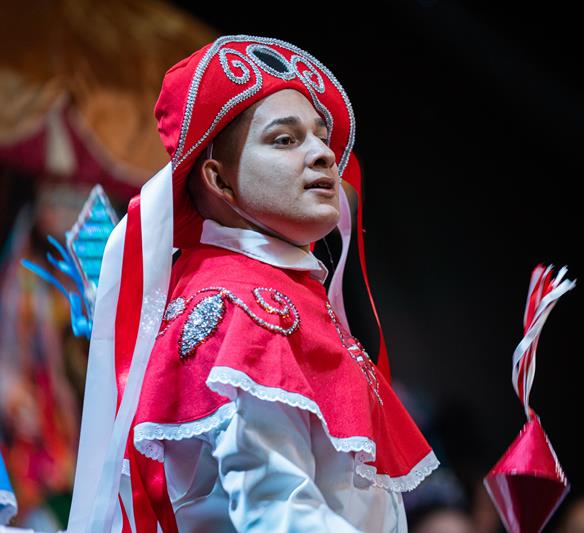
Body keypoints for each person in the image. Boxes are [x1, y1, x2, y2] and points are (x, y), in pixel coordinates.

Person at [65, 35, 439, 533]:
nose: (323, 154)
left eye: (321, 137)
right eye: (285, 140)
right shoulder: (243, 305)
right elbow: (277, 512)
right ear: (219, 180)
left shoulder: (274, 294)